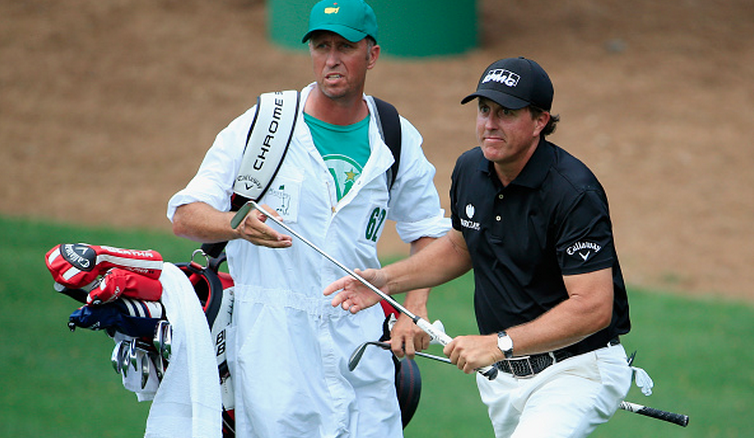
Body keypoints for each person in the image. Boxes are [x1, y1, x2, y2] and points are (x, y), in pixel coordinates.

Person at [167, 0, 449, 436]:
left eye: (345, 47)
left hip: (363, 348)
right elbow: (186, 214)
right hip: (273, 354)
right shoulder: (265, 124)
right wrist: (234, 226)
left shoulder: (394, 135)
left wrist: (413, 308)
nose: (331, 59)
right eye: (321, 46)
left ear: (372, 54)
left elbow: (429, 230)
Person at [324, 57, 633, 438]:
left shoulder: (573, 192)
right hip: (503, 377)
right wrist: (387, 280)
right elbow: (461, 246)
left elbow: (594, 307)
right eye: (485, 109)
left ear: (540, 121)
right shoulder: (472, 169)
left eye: (506, 113)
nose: (490, 123)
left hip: (575, 370)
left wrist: (500, 343)